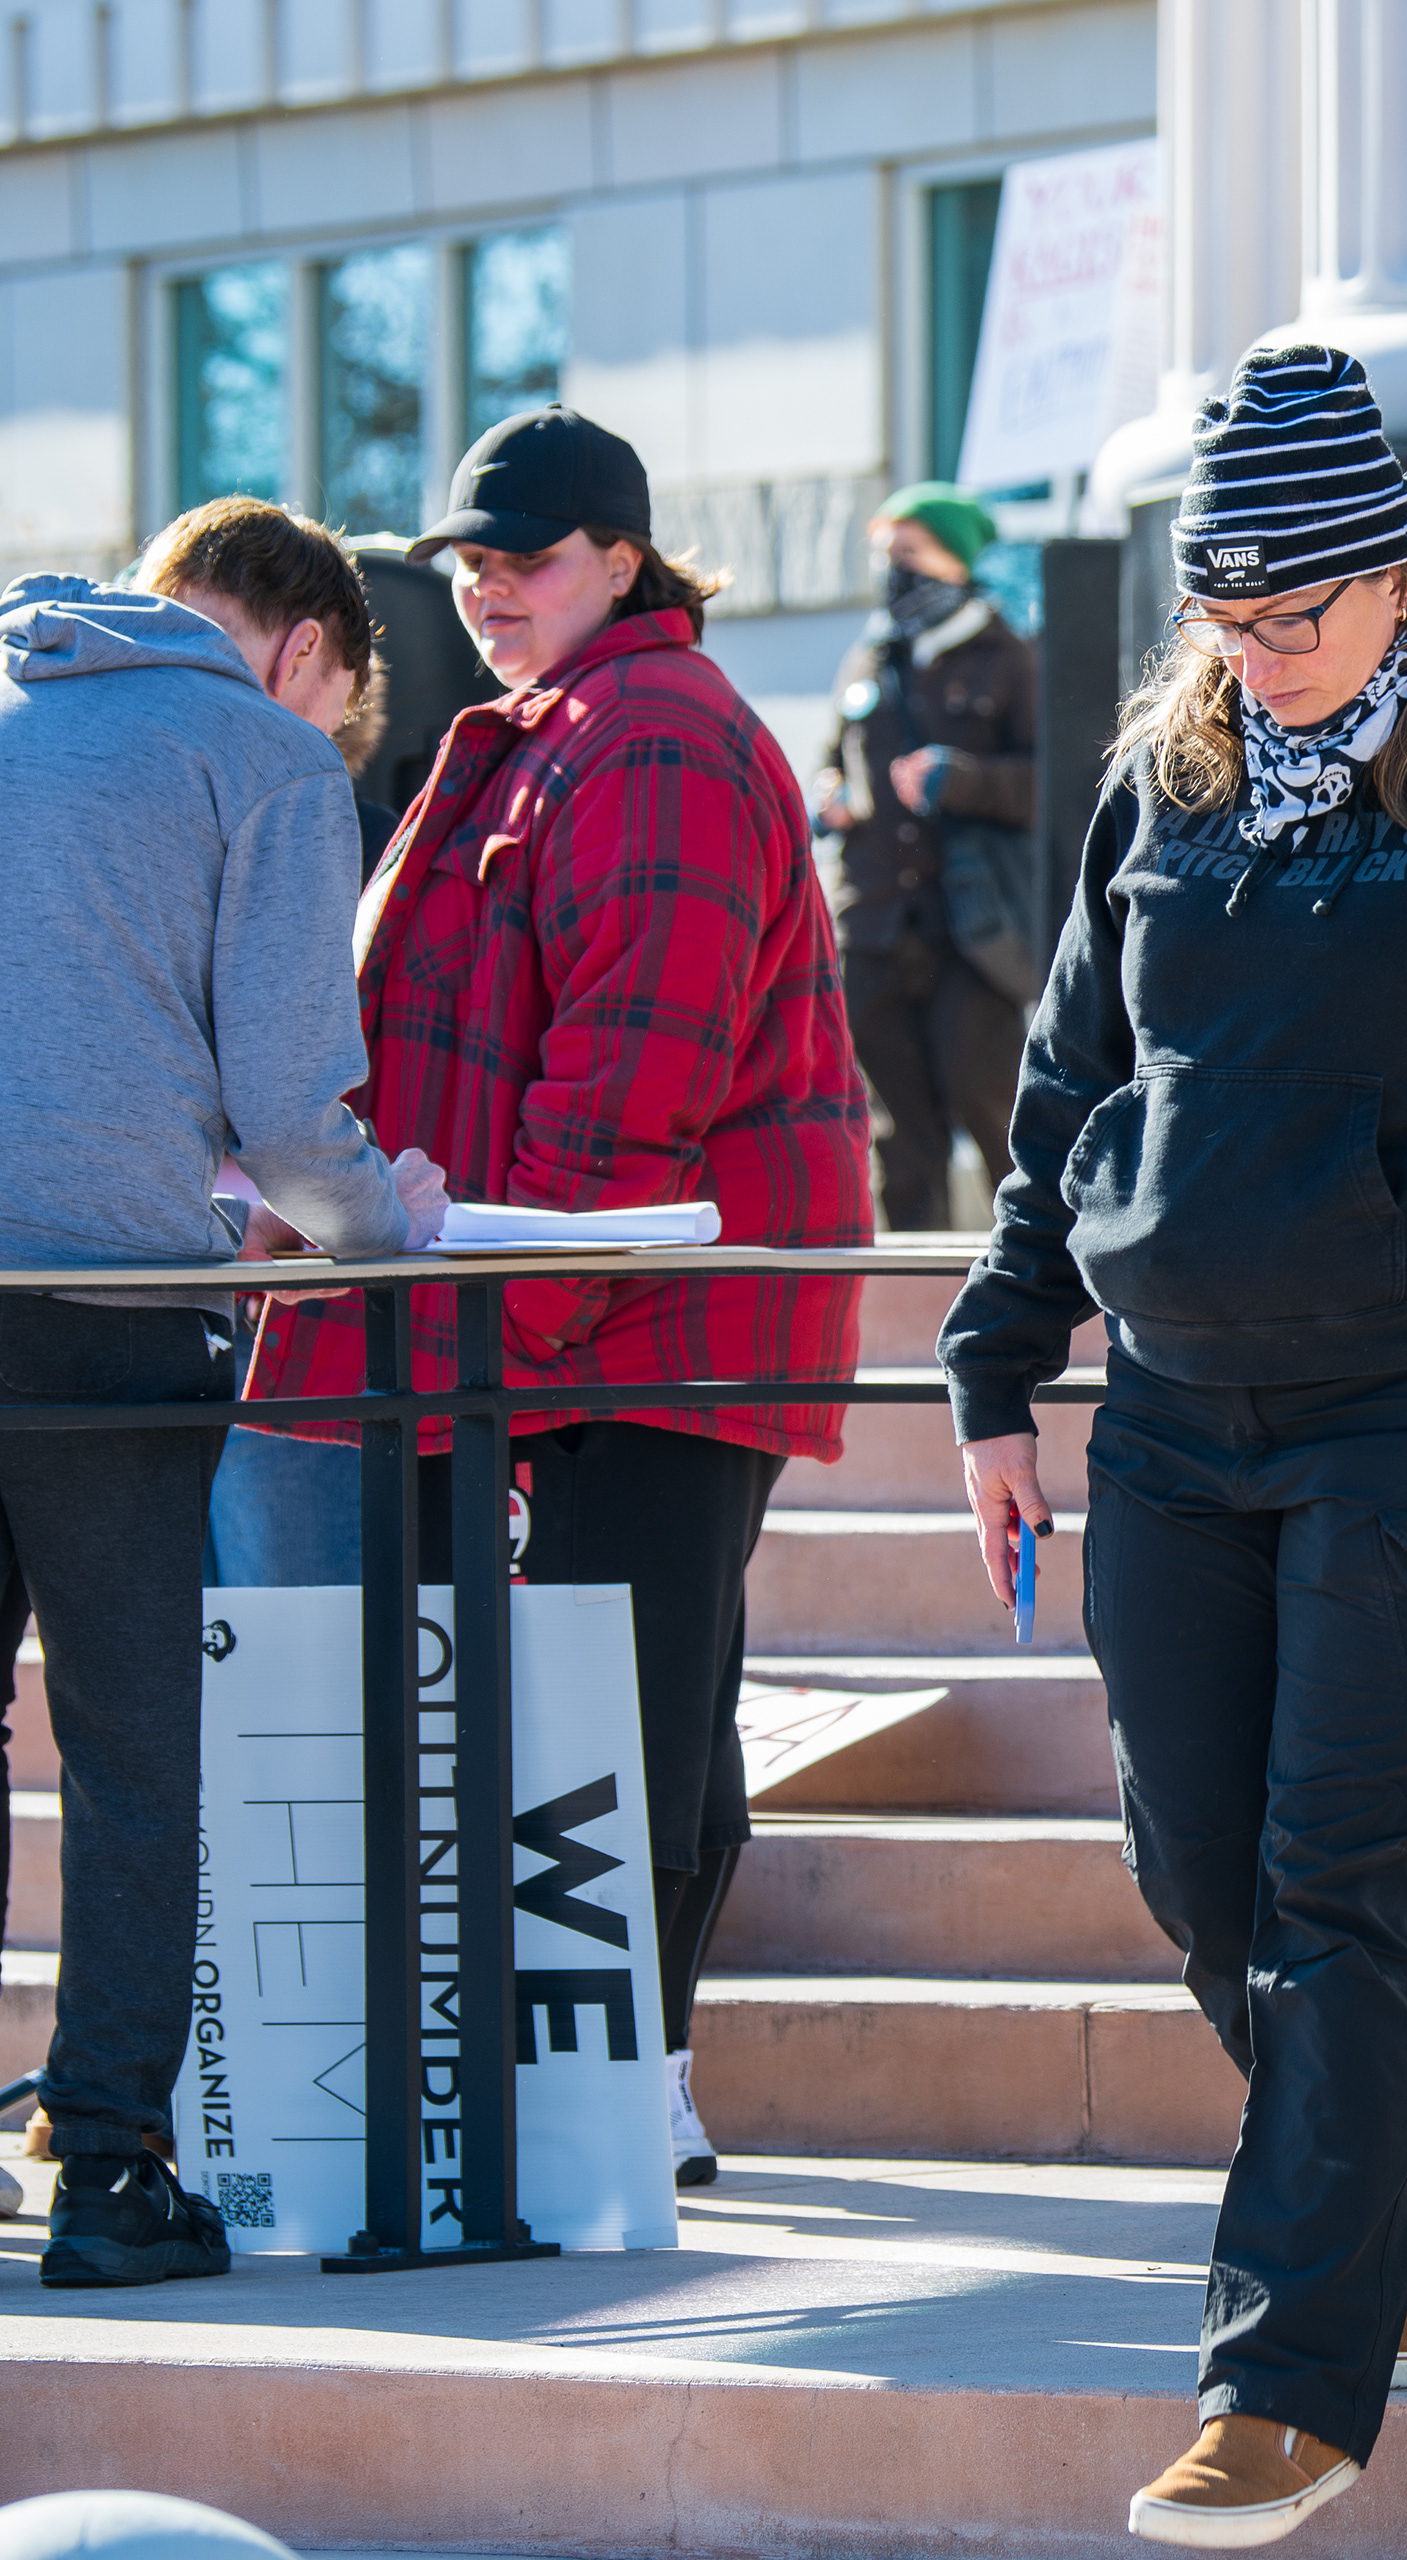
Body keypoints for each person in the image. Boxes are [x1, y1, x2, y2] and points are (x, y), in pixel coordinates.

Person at [938, 344, 1407, 2547]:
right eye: (1228, 618)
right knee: (1200, 1871)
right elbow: (1072, 1094)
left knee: (1346, 1882)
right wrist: (999, 1362)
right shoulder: (1160, 793)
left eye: (1296, 615)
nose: (1259, 658)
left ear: (1398, 582)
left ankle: (1288, 2377)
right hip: (1177, 1410)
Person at [240, 404, 872, 2193]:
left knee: (626, 1719)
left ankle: (633, 2092)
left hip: (638, 1305)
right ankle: (623, 2084)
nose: (490, 589)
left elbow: (630, 1083)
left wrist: (492, 1346)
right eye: (469, 562)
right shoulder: (546, 728)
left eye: (524, 557)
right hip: (570, 1309)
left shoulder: (652, 732)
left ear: (621, 553)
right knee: (628, 1705)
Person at [0, 499, 452, 2285]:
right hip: (112, 1306)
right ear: (310, 652)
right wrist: (379, 1224)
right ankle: (105, 2172)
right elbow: (282, 1100)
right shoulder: (260, 758)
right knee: (129, 1749)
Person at [814, 483, 1043, 1233]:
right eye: (887, 557)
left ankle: (1034, 1284)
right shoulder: (870, 655)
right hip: (875, 924)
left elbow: (1060, 784)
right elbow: (833, 758)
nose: (894, 572)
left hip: (968, 934)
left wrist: (966, 780)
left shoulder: (1010, 657)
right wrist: (833, 790)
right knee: (893, 1133)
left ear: (955, 560)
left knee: (993, 1112)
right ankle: (916, 1303)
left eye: (909, 555)